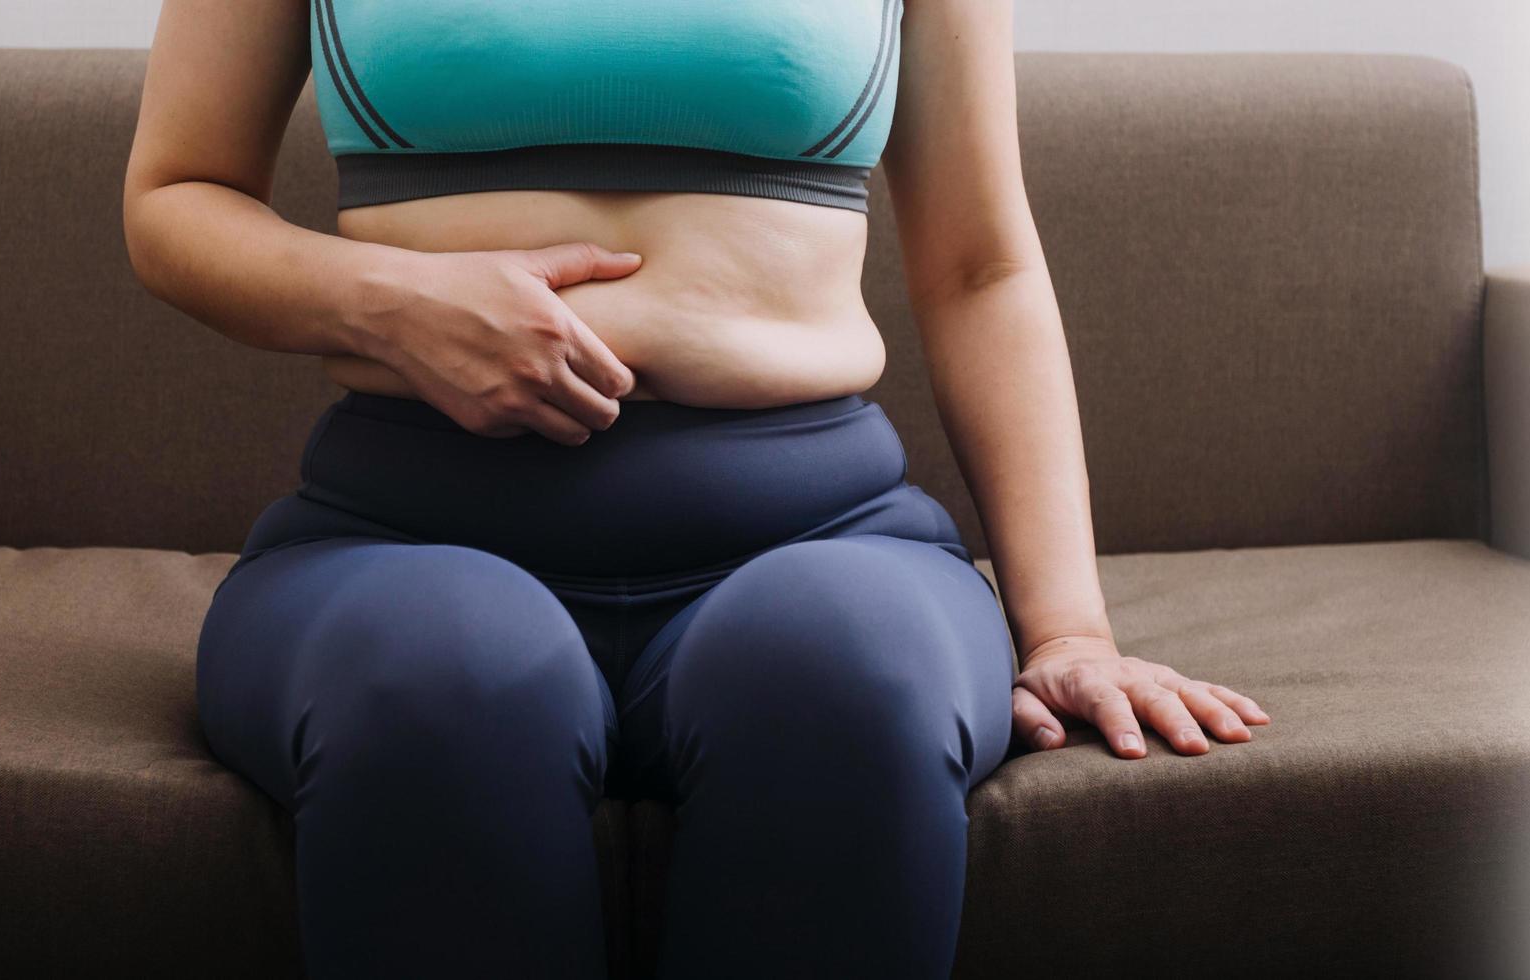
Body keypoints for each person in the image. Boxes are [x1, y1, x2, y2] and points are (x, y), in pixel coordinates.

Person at [119, 1, 1267, 975]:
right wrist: (393, 299)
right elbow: (176, 194)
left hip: (822, 533)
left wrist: (1068, 627)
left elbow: (980, 265)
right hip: (393, 533)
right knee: (446, 680)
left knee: (841, 676)